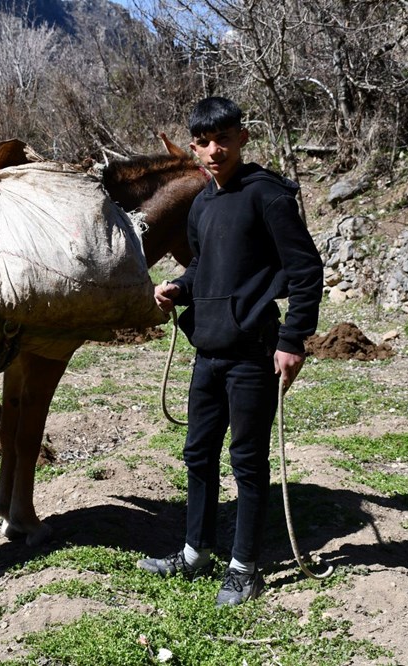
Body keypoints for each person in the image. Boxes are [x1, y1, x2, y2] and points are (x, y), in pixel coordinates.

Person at [138, 97, 323, 606]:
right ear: (193, 147)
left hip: (252, 353)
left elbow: (306, 269)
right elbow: (204, 267)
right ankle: (195, 551)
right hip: (208, 352)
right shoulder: (202, 202)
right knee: (198, 453)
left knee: (246, 460)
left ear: (242, 137)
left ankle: (244, 568)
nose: (214, 150)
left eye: (223, 139)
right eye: (203, 142)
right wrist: (179, 286)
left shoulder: (268, 196)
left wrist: (292, 340)